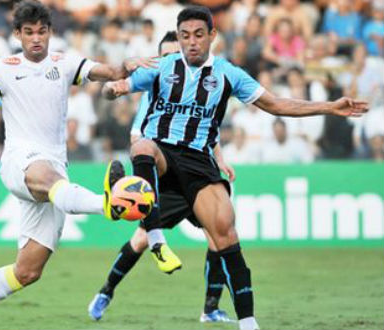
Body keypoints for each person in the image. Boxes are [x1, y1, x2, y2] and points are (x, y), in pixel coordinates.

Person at [102, 6, 368, 330]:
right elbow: (115, 85)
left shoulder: (229, 73)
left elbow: (276, 104)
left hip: (200, 161)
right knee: (141, 146)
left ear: (212, 36)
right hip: (161, 152)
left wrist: (329, 106)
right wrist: (112, 89)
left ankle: (248, 321)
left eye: (199, 35)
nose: (191, 43)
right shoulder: (162, 66)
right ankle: (155, 237)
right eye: (185, 36)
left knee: (226, 235)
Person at [0, 1, 155, 329]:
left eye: (42, 31)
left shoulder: (64, 62)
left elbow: (110, 72)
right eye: (29, 32)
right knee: (49, 178)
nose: (37, 38)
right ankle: (106, 204)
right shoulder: (3, 68)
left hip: (55, 172)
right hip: (20, 163)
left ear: (50, 32)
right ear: (18, 34)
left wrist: (127, 65)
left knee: (28, 271)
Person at [88, 30, 235, 324]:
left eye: (176, 53)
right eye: (166, 55)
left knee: (218, 239)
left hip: (195, 175)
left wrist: (220, 160)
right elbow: (138, 142)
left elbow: (204, 130)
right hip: (166, 182)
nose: (173, 60)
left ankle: (210, 308)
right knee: (141, 239)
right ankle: (106, 291)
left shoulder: (195, 89)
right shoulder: (152, 95)